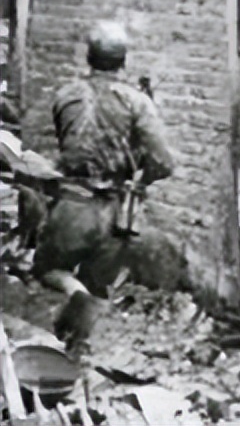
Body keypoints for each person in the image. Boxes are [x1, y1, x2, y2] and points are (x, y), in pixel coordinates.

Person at [32, 22, 174, 282]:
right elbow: (163, 163)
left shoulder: (64, 96)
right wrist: (140, 178)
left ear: (89, 57)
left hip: (71, 203)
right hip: (114, 212)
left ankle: (75, 295)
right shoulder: (137, 102)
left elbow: (71, 142)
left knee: (50, 272)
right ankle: (84, 299)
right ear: (123, 61)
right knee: (99, 285)